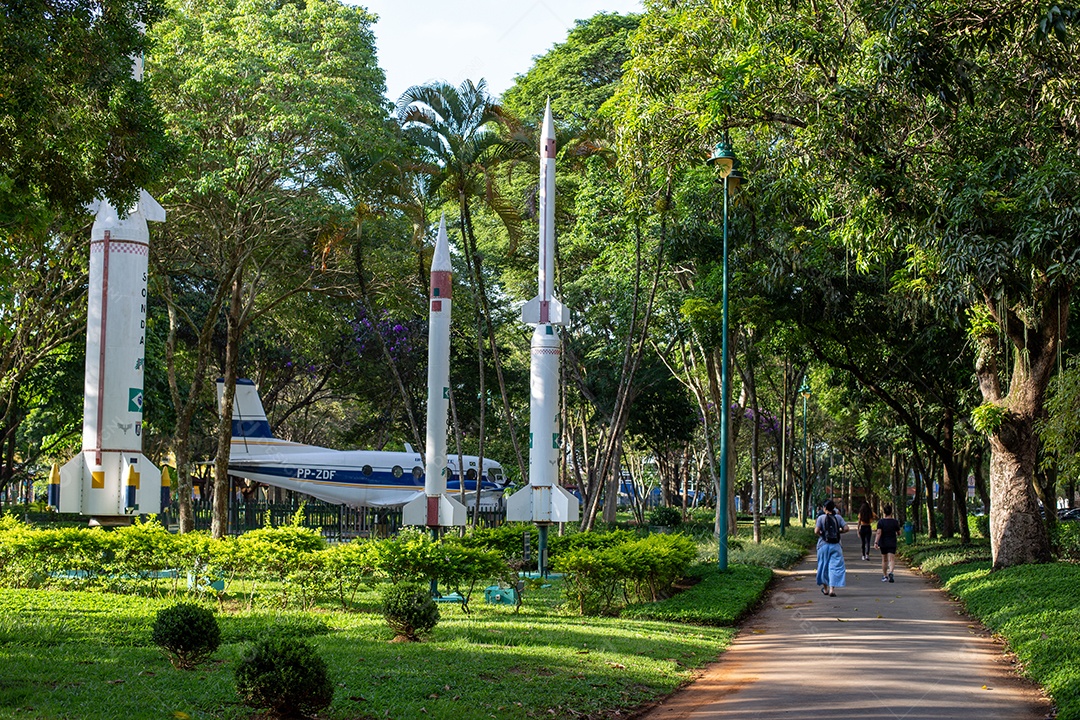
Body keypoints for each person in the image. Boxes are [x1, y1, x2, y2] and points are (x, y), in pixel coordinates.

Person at [815, 499, 848, 596]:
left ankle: (825, 589)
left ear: (824, 508)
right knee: (835, 567)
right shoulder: (838, 517)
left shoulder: (821, 518)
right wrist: (838, 532)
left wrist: (822, 535)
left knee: (823, 566)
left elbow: (816, 531)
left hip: (823, 545)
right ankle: (832, 589)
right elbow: (846, 528)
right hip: (836, 545)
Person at [874, 504, 902, 583]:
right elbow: (899, 532)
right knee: (891, 559)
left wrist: (876, 542)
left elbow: (879, 533)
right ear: (891, 512)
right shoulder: (895, 522)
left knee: (884, 560)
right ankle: (891, 572)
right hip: (892, 542)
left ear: (884, 512)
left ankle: (885, 575)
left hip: (883, 543)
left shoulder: (881, 522)